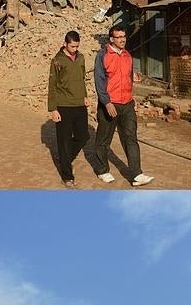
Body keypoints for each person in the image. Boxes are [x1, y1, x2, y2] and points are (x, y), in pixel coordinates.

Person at [94, 24, 153, 187]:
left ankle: (136, 174)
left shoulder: (127, 55)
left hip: (127, 104)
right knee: (104, 139)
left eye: (124, 36)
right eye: (118, 37)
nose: (122, 40)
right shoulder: (102, 55)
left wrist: (133, 80)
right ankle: (102, 170)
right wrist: (106, 102)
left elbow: (128, 76)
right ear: (111, 39)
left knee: (131, 138)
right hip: (110, 104)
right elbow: (99, 80)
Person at [47, 30, 89, 187]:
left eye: (77, 46)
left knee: (83, 136)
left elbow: (82, 78)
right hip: (63, 105)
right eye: (72, 46)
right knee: (63, 141)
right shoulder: (57, 61)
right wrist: (53, 108)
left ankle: (65, 158)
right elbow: (52, 85)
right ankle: (67, 176)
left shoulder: (81, 58)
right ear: (65, 44)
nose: (75, 49)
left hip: (79, 104)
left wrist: (85, 96)